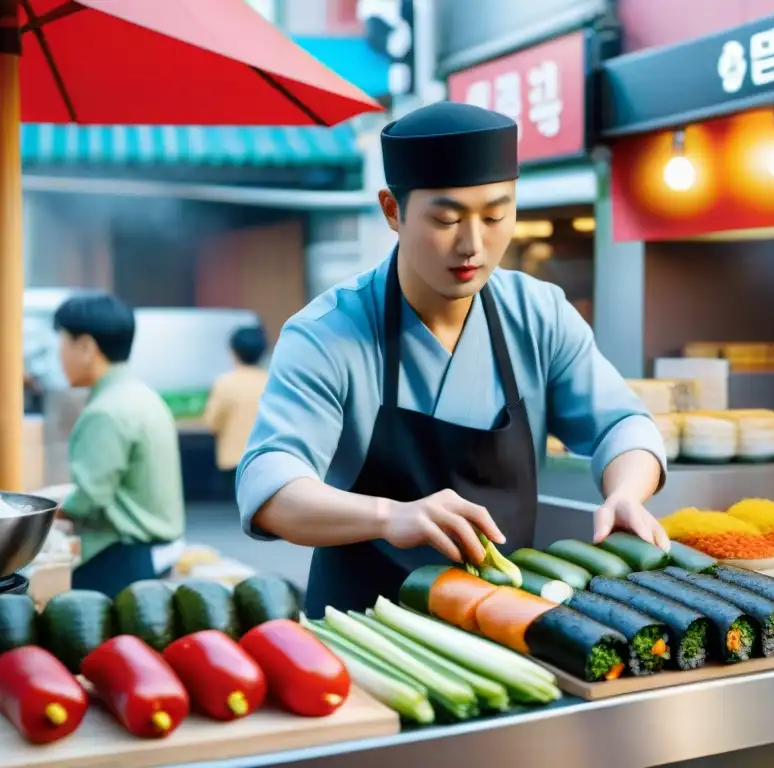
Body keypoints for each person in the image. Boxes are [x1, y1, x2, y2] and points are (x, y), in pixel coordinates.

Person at [237, 102, 669, 617]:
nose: (473, 245)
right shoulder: (327, 333)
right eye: (445, 219)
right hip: (365, 631)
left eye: (494, 215)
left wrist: (626, 492)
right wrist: (387, 516)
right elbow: (270, 486)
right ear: (392, 210)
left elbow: (621, 425)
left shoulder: (538, 313)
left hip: (507, 621)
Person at [54, 293, 185, 598]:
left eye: (62, 342)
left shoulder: (106, 410)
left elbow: (89, 497)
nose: (59, 354)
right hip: (149, 554)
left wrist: (41, 514)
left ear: (85, 347)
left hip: (118, 559)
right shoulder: (142, 395)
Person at [203, 325, 270, 497]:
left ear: (233, 352)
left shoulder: (225, 383)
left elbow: (212, 424)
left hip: (233, 462)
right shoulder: (273, 382)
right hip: (268, 461)